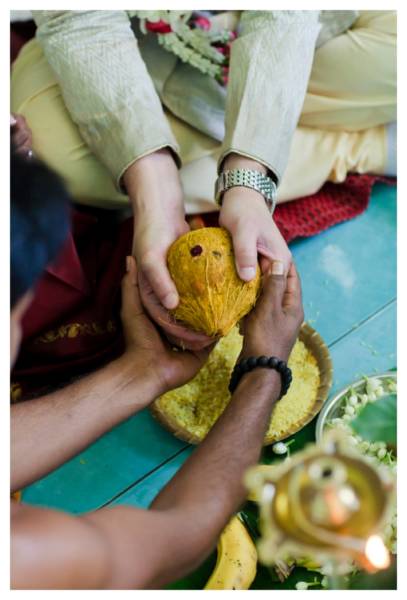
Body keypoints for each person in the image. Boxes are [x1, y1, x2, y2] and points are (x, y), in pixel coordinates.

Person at [11, 10, 396, 351]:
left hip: (310, 28)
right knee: (48, 158)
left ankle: (341, 140)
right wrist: (156, 196)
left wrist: (247, 184)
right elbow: (78, 20)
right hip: (138, 46)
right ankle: (363, 141)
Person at [11, 151, 304, 588]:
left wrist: (143, 372)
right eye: (18, 312)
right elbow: (178, 535)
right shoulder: (23, 557)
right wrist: (265, 367)